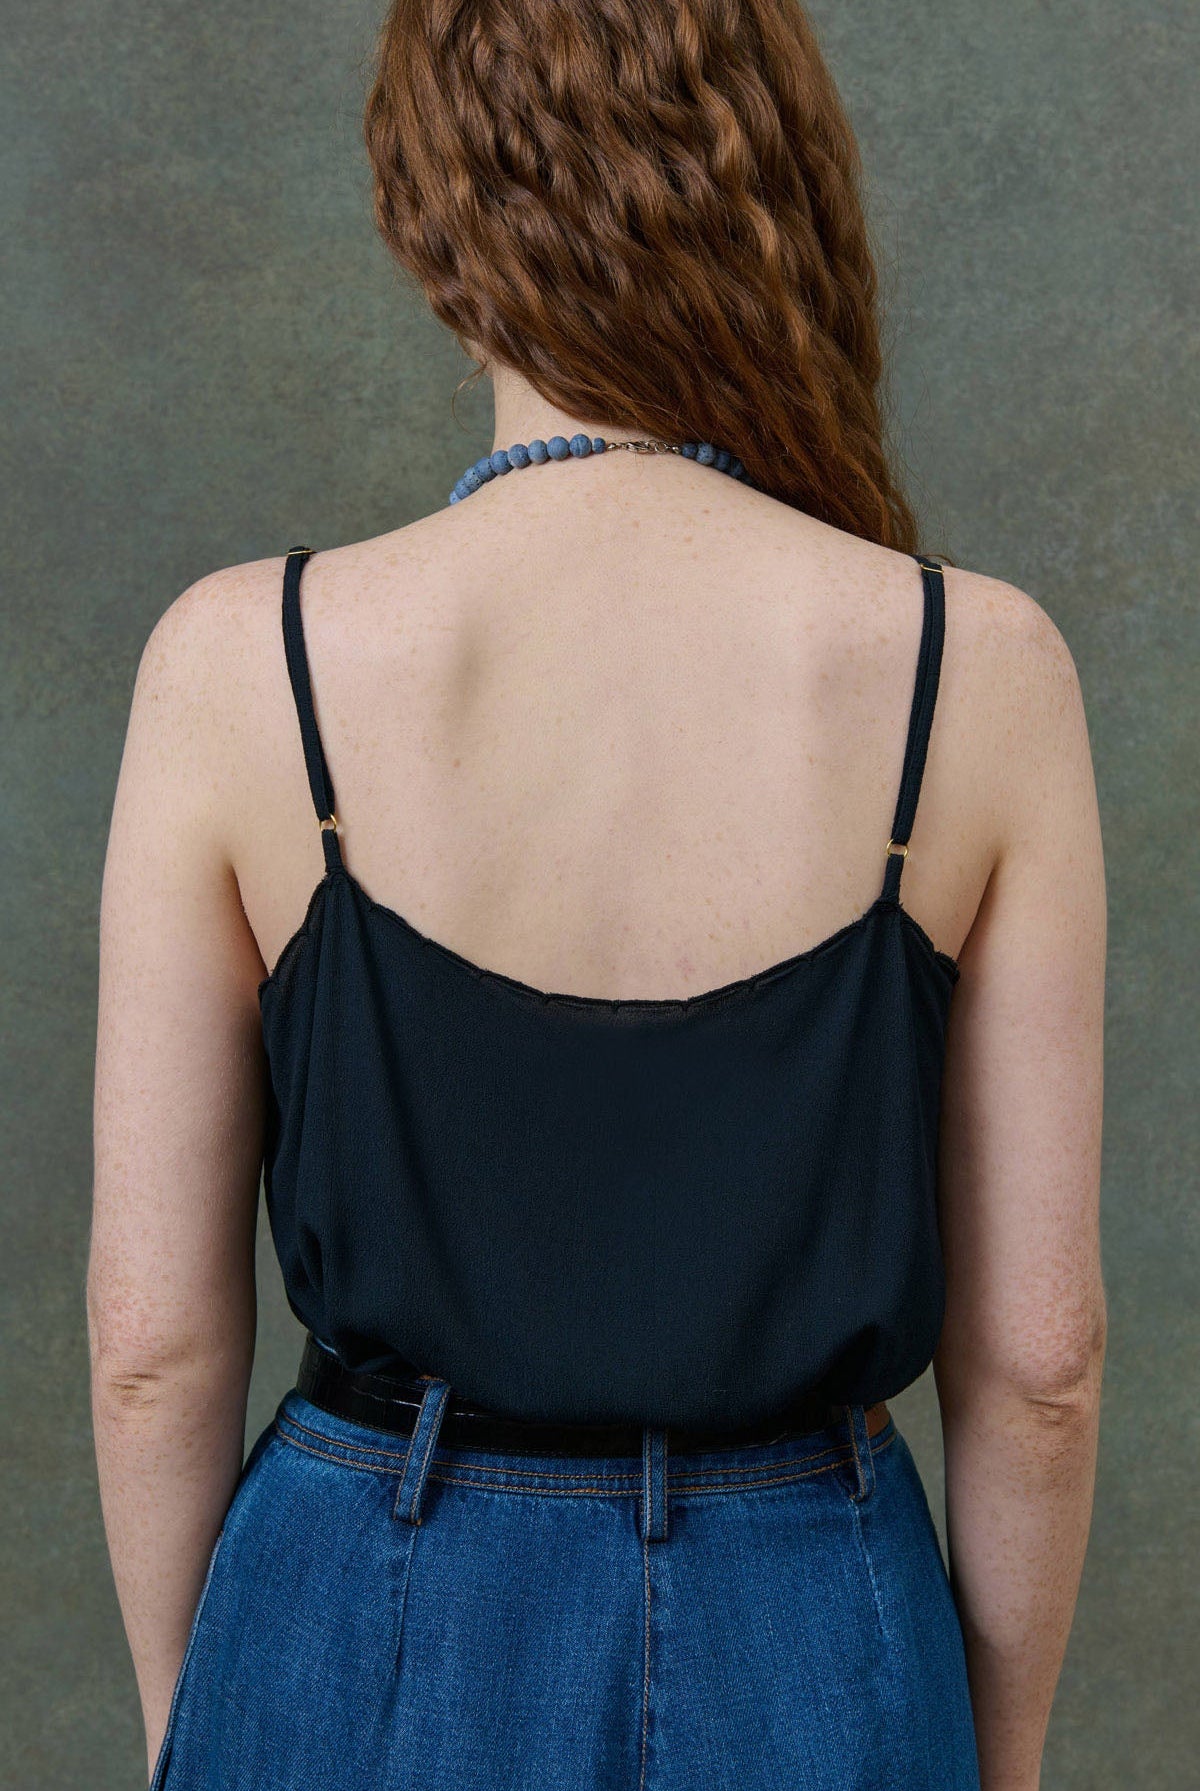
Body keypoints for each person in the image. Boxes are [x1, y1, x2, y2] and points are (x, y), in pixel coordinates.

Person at [88, 3, 1107, 1787]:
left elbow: (155, 1349)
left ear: (432, 221)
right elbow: (1039, 1363)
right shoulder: (978, 667)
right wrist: (991, 1759)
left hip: (359, 1616)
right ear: (774, 197)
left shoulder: (246, 665)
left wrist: (215, 1714)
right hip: (817, 1634)